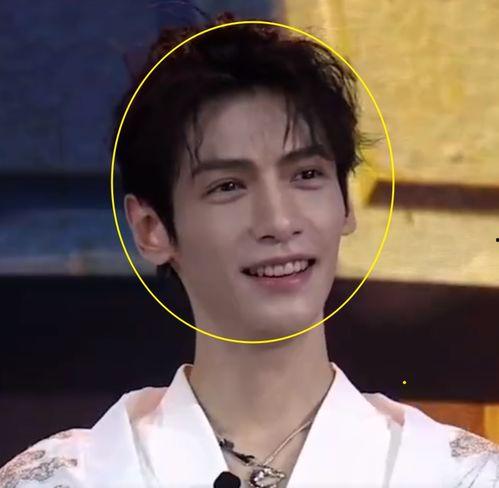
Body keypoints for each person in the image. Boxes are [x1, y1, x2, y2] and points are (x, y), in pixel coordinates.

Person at [1, 12, 498, 488]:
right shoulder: (70, 477)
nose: (279, 222)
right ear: (152, 228)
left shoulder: (456, 474)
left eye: (307, 175)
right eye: (229, 186)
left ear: (346, 203)